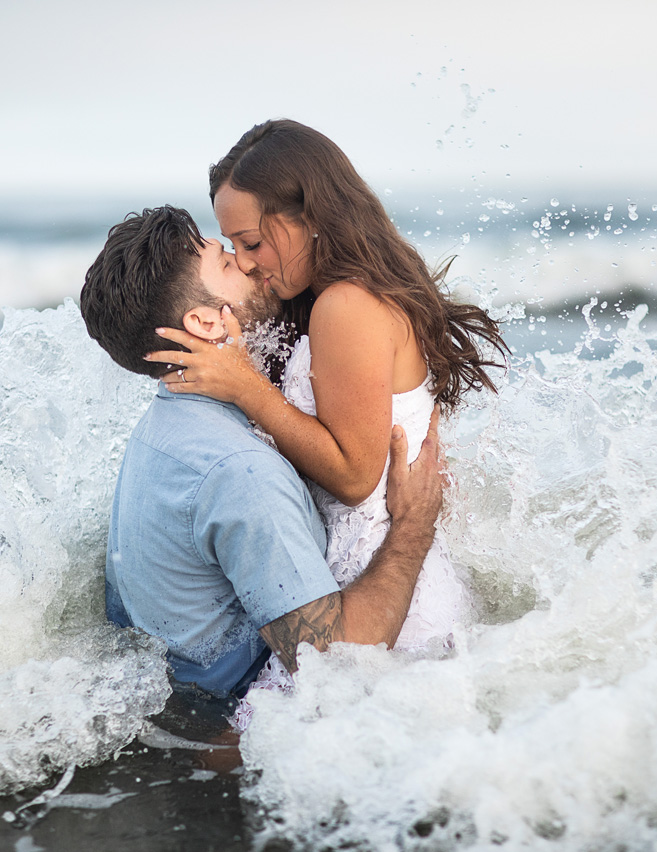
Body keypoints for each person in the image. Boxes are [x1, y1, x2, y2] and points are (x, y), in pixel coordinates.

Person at [144, 121, 508, 712]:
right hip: (365, 577)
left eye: (252, 243)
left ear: (308, 216)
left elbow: (355, 474)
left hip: (384, 592)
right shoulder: (333, 297)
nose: (245, 261)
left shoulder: (347, 305)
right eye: (231, 246)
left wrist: (247, 390)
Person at [79, 204, 448, 700]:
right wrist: (413, 526)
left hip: (179, 710)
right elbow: (333, 666)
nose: (247, 262)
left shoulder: (161, 430)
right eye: (228, 262)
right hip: (232, 734)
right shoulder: (240, 471)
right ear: (206, 322)